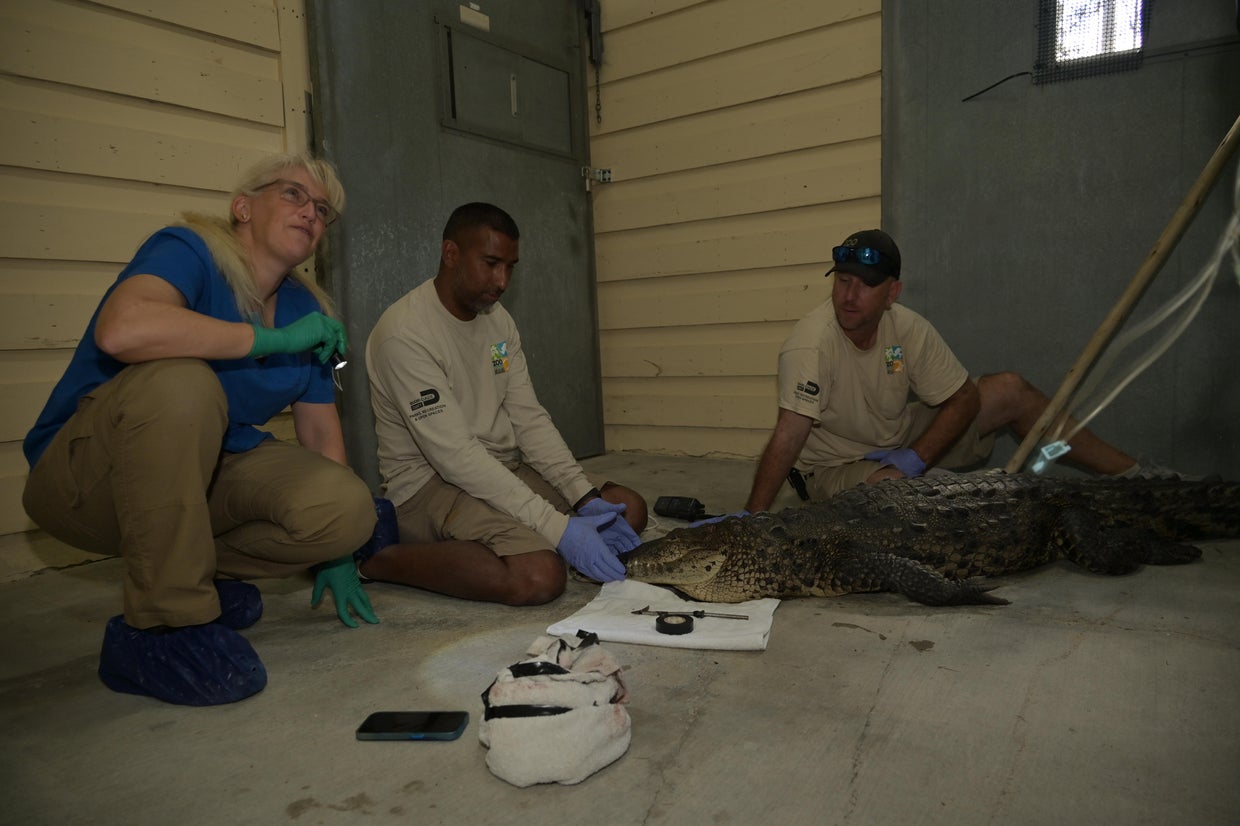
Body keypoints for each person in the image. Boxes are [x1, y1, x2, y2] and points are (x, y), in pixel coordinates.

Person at [22, 152, 380, 707]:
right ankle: (162, 626)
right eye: (293, 194)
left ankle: (197, 578)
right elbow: (123, 330)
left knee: (345, 507)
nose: (311, 212)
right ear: (243, 207)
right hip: (85, 480)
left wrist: (339, 554)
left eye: (323, 209)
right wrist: (270, 341)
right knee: (183, 382)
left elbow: (320, 434)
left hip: (197, 479)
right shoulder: (188, 249)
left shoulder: (307, 309)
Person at [738, 228, 1169, 515]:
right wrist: (752, 520)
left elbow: (964, 398)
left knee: (1009, 391)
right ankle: (943, 489)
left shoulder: (905, 328)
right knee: (914, 496)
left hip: (895, 438)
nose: (850, 296)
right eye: (843, 280)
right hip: (832, 468)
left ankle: (1138, 478)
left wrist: (916, 457)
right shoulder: (811, 343)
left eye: (867, 284)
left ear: (892, 293)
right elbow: (789, 434)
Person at [362, 202, 648, 605]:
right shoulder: (405, 334)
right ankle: (383, 561)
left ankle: (507, 539)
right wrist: (556, 527)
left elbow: (528, 418)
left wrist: (583, 496)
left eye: (510, 267)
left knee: (626, 509)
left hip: (499, 466)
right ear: (451, 254)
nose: (502, 281)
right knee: (538, 576)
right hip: (429, 486)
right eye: (491, 263)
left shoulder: (498, 322)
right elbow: (455, 457)